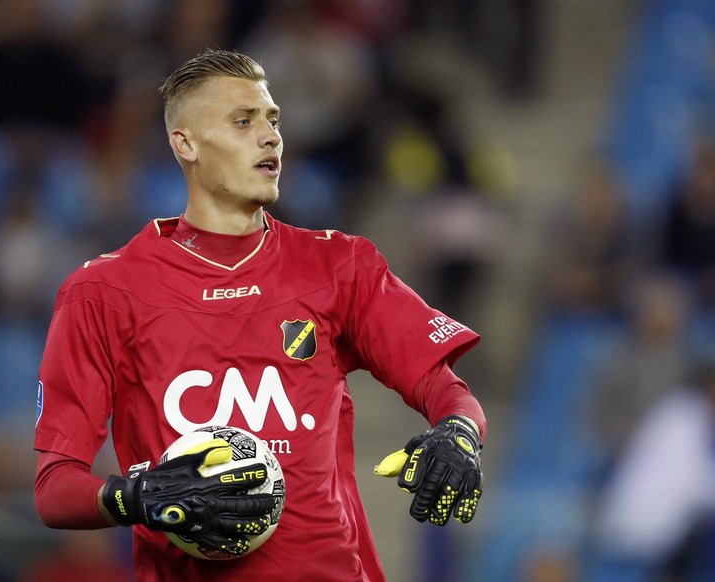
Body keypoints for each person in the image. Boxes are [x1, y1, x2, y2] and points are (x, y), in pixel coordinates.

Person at [33, 48, 487, 582]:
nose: (270, 137)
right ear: (186, 143)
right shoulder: (102, 292)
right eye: (243, 121)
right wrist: (139, 495)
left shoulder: (339, 265)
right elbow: (54, 488)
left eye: (272, 120)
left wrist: (458, 432)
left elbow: (445, 388)